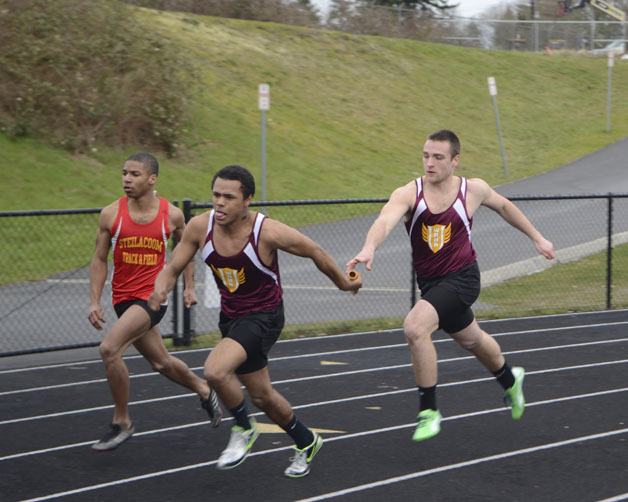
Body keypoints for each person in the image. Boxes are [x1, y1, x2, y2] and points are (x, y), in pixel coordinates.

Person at [149, 165, 361, 477]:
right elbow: (173, 266)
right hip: (232, 317)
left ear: (247, 200)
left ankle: (245, 428)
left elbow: (314, 250)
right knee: (262, 395)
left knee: (216, 370)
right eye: (216, 195)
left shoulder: (267, 231)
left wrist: (344, 283)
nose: (220, 203)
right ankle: (306, 440)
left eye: (229, 197)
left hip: (264, 316)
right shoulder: (200, 226)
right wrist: (161, 288)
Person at [347, 130, 555, 442]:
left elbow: (505, 208)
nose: (429, 163)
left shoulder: (473, 190)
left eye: (438, 157)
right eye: (425, 156)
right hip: (432, 285)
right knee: (471, 340)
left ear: (455, 161)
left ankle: (428, 411)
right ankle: (511, 379)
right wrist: (369, 247)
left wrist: (538, 238)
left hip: (464, 278)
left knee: (415, 327)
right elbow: (384, 221)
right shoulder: (409, 194)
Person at [88, 152, 223, 451]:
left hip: (153, 297)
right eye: (124, 172)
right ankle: (203, 389)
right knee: (160, 362)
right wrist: (94, 301)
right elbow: (99, 259)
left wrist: (189, 287)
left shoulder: (171, 215)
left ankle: (121, 421)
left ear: (152, 179)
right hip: (123, 299)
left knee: (110, 349)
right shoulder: (111, 214)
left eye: (134, 174)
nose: (126, 179)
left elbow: (185, 251)